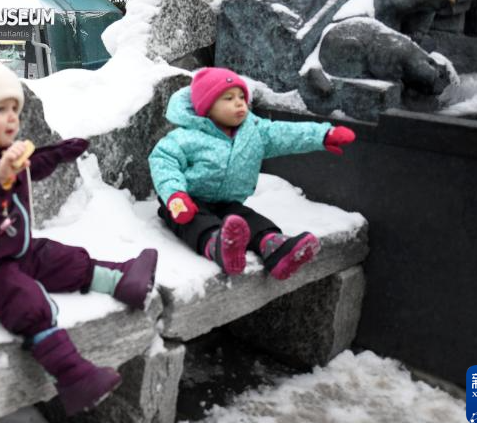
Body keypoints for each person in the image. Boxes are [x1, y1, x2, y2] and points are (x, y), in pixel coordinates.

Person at [0, 54, 158, 415]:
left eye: (14, 109)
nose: (12, 118)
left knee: (59, 258)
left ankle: (121, 280)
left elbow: (27, 167)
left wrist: (58, 154)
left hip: (8, 250)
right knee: (26, 300)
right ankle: (74, 377)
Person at [149, 67, 356, 280]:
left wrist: (323, 135)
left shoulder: (254, 131)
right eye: (228, 98)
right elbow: (164, 161)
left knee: (247, 219)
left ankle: (274, 246)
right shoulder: (186, 137)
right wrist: (175, 195)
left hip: (226, 203)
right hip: (185, 202)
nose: (239, 103)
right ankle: (217, 244)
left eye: (241, 97)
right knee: (194, 221)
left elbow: (285, 133)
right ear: (207, 107)